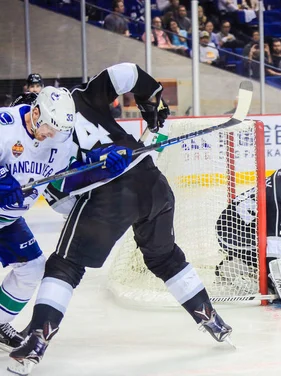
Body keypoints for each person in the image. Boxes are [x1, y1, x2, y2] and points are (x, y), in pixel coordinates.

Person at [7, 63, 232, 375]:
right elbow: (126, 72)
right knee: (164, 256)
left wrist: (95, 175)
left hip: (113, 198)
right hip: (154, 184)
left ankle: (37, 337)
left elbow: (64, 203)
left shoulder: (47, 150)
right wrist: (151, 100)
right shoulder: (79, 98)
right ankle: (209, 317)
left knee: (65, 265)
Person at [0, 87, 76, 351]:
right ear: (35, 112)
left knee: (32, 267)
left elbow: (66, 180)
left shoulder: (61, 140)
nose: (50, 136)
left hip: (7, 221)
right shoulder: (5, 123)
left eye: (57, 132)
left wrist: (105, 167)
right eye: (48, 128)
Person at [215, 151, 281, 293]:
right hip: (231, 231)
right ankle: (231, 268)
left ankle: (238, 264)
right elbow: (276, 243)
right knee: (276, 269)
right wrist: (279, 280)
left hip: (251, 229)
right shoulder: (279, 194)